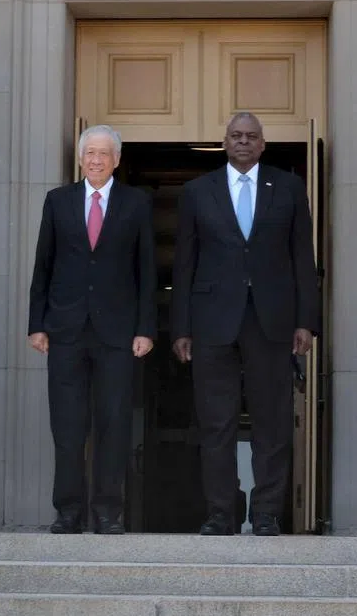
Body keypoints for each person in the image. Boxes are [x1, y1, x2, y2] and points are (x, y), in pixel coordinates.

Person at [171, 112, 319, 536]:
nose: (243, 142)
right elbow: (185, 264)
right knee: (216, 423)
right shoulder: (198, 192)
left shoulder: (289, 187)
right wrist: (181, 327)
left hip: (271, 321)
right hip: (211, 322)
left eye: (251, 137)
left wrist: (306, 321)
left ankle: (267, 512)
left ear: (263, 144)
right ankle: (222, 512)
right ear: (224, 142)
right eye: (235, 136)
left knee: (272, 423)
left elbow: (301, 260)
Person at [28, 124, 156, 534]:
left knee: (114, 424)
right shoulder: (58, 201)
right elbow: (43, 265)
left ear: (117, 159)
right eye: (89, 153)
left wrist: (145, 328)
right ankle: (68, 511)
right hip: (65, 330)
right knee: (66, 426)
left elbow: (147, 271)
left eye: (104, 153)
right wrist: (37, 324)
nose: (96, 159)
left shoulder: (137, 203)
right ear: (80, 158)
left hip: (117, 334)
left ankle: (108, 512)